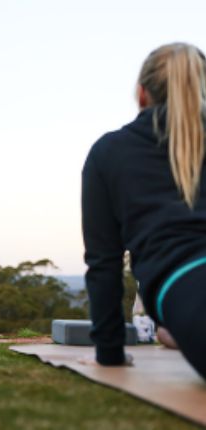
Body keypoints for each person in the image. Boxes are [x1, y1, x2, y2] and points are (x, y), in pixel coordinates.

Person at [82, 42, 206, 377]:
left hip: (185, 288)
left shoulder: (109, 153)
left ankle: (174, 330)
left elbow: (103, 263)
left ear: (141, 94)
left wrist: (109, 354)